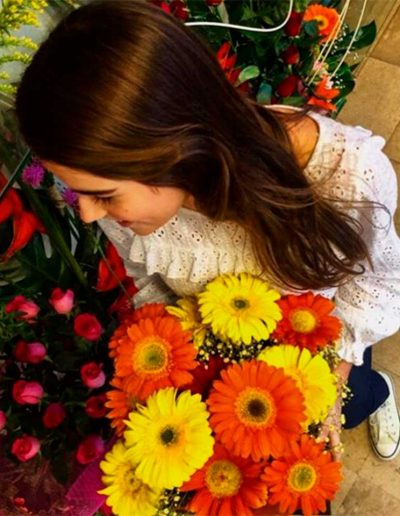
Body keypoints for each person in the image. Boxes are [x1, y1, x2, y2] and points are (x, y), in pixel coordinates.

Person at [15, 0, 400, 462]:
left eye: (104, 193)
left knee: (358, 397)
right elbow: (151, 284)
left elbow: (374, 285)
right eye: (78, 192)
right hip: (236, 377)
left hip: (324, 349)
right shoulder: (133, 216)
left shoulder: (346, 177)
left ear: (169, 151)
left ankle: (379, 393)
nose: (89, 216)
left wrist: (331, 392)